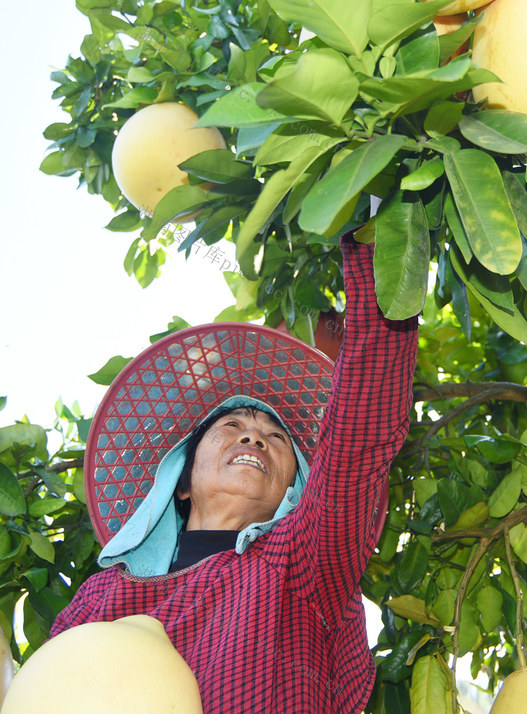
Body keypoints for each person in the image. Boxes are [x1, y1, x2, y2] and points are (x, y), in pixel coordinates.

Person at [50, 233, 418, 713]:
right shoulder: (102, 598)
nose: (254, 437)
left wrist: (382, 235)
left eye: (277, 436)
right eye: (232, 425)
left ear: (295, 490)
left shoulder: (300, 563)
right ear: (181, 483)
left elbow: (358, 438)